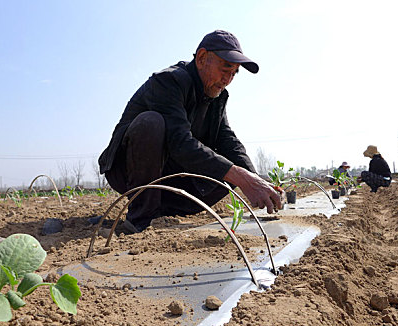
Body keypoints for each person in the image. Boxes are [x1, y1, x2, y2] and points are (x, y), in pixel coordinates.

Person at [98, 30, 283, 233]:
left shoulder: (217, 96)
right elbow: (180, 142)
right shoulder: (169, 82)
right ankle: (139, 220)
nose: (228, 79)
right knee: (152, 123)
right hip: (128, 170)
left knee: (228, 169)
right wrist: (241, 177)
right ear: (202, 58)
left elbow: (227, 140)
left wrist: (253, 178)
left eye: (234, 73)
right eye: (225, 69)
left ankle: (160, 208)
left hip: (170, 174)